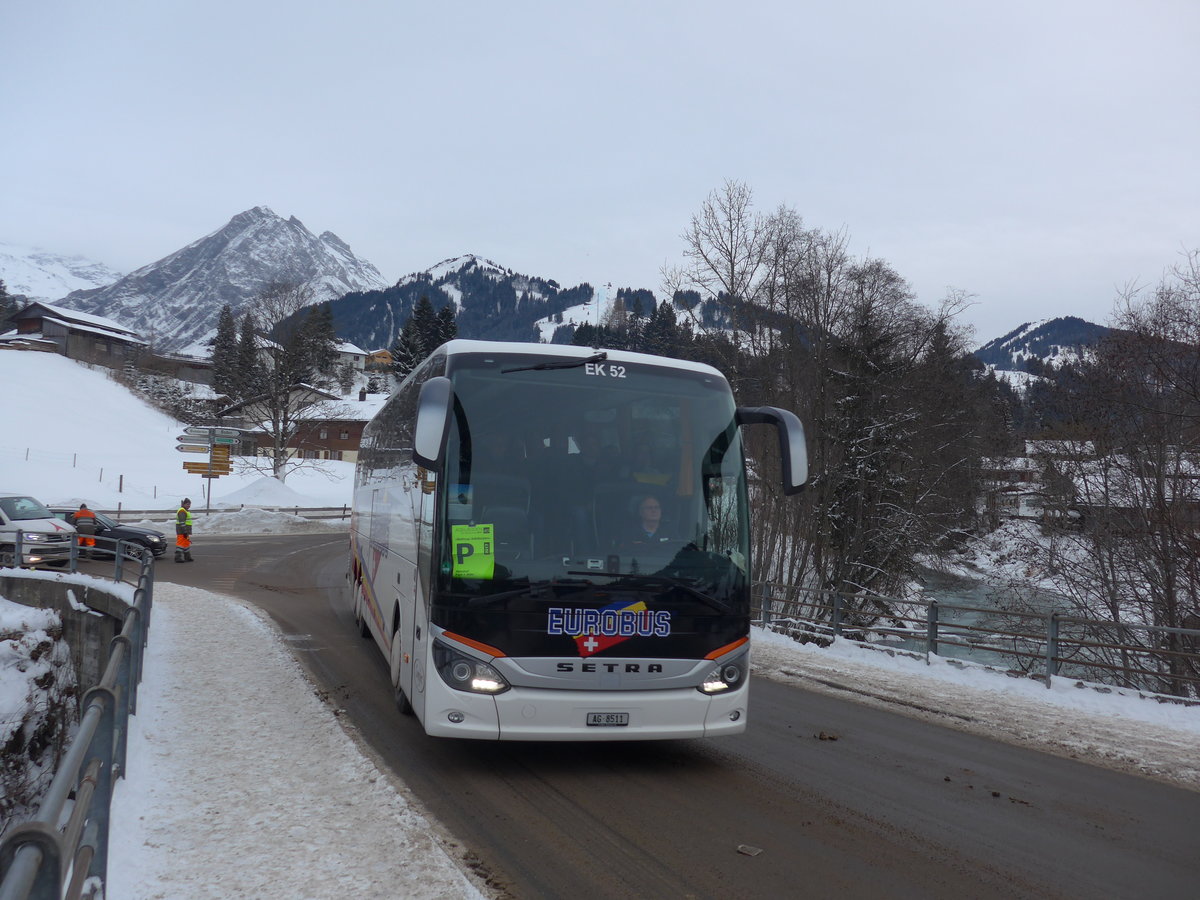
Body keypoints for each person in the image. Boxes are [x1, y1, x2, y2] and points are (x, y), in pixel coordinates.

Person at [175, 498, 194, 563]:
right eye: (187, 504)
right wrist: (184, 531)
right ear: (184, 504)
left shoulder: (185, 511)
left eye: (189, 504)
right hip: (181, 531)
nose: (189, 505)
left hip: (185, 531)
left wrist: (186, 532)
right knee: (180, 544)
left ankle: (187, 557)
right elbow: (182, 522)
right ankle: (178, 557)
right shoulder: (182, 511)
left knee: (186, 544)